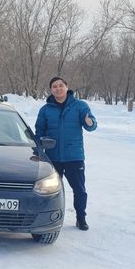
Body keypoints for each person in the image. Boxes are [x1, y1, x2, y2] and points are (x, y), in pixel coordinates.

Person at [35, 76, 97, 231]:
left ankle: (81, 218)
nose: (58, 88)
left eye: (60, 85)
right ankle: (47, 217)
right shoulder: (45, 110)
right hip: (53, 157)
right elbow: (39, 131)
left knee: (79, 189)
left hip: (73, 157)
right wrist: (38, 150)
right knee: (50, 190)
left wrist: (90, 122)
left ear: (67, 87)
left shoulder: (79, 106)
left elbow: (91, 125)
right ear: (51, 90)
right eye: (54, 86)